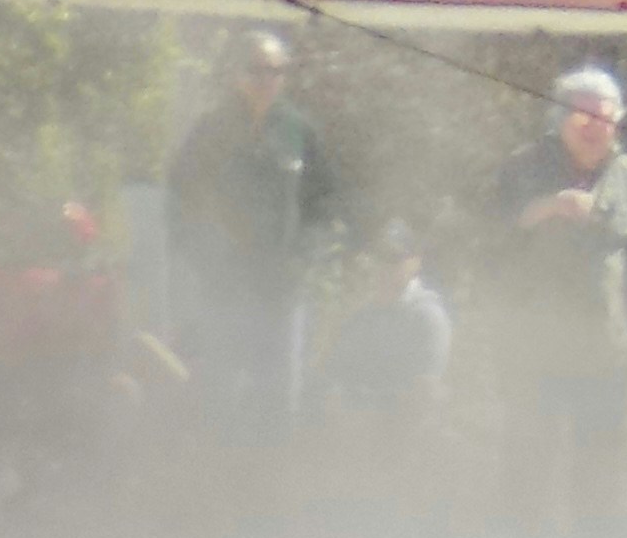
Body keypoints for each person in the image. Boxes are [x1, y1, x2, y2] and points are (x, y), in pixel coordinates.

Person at [481, 65, 627, 532]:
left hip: (604, 353)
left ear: (619, 121)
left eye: (605, 118)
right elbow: (486, 239)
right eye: (582, 118)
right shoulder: (524, 167)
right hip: (533, 350)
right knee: (527, 464)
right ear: (558, 119)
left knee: (600, 467)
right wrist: (544, 209)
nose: (594, 129)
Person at [163, 31, 339, 447]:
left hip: (282, 291)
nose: (267, 80)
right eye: (257, 70)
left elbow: (326, 202)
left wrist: (305, 257)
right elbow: (180, 202)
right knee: (220, 394)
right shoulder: (210, 131)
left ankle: (271, 491)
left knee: (280, 399)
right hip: (226, 290)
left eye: (276, 71)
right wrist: (207, 261)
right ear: (235, 74)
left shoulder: (299, 132)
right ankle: (218, 490)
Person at [316, 215, 454, 454]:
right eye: (381, 257)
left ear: (415, 262)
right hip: (356, 433)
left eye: (395, 258)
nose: (386, 266)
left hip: (406, 441)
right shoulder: (362, 317)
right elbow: (334, 372)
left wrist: (362, 411)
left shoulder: (427, 316)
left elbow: (425, 392)